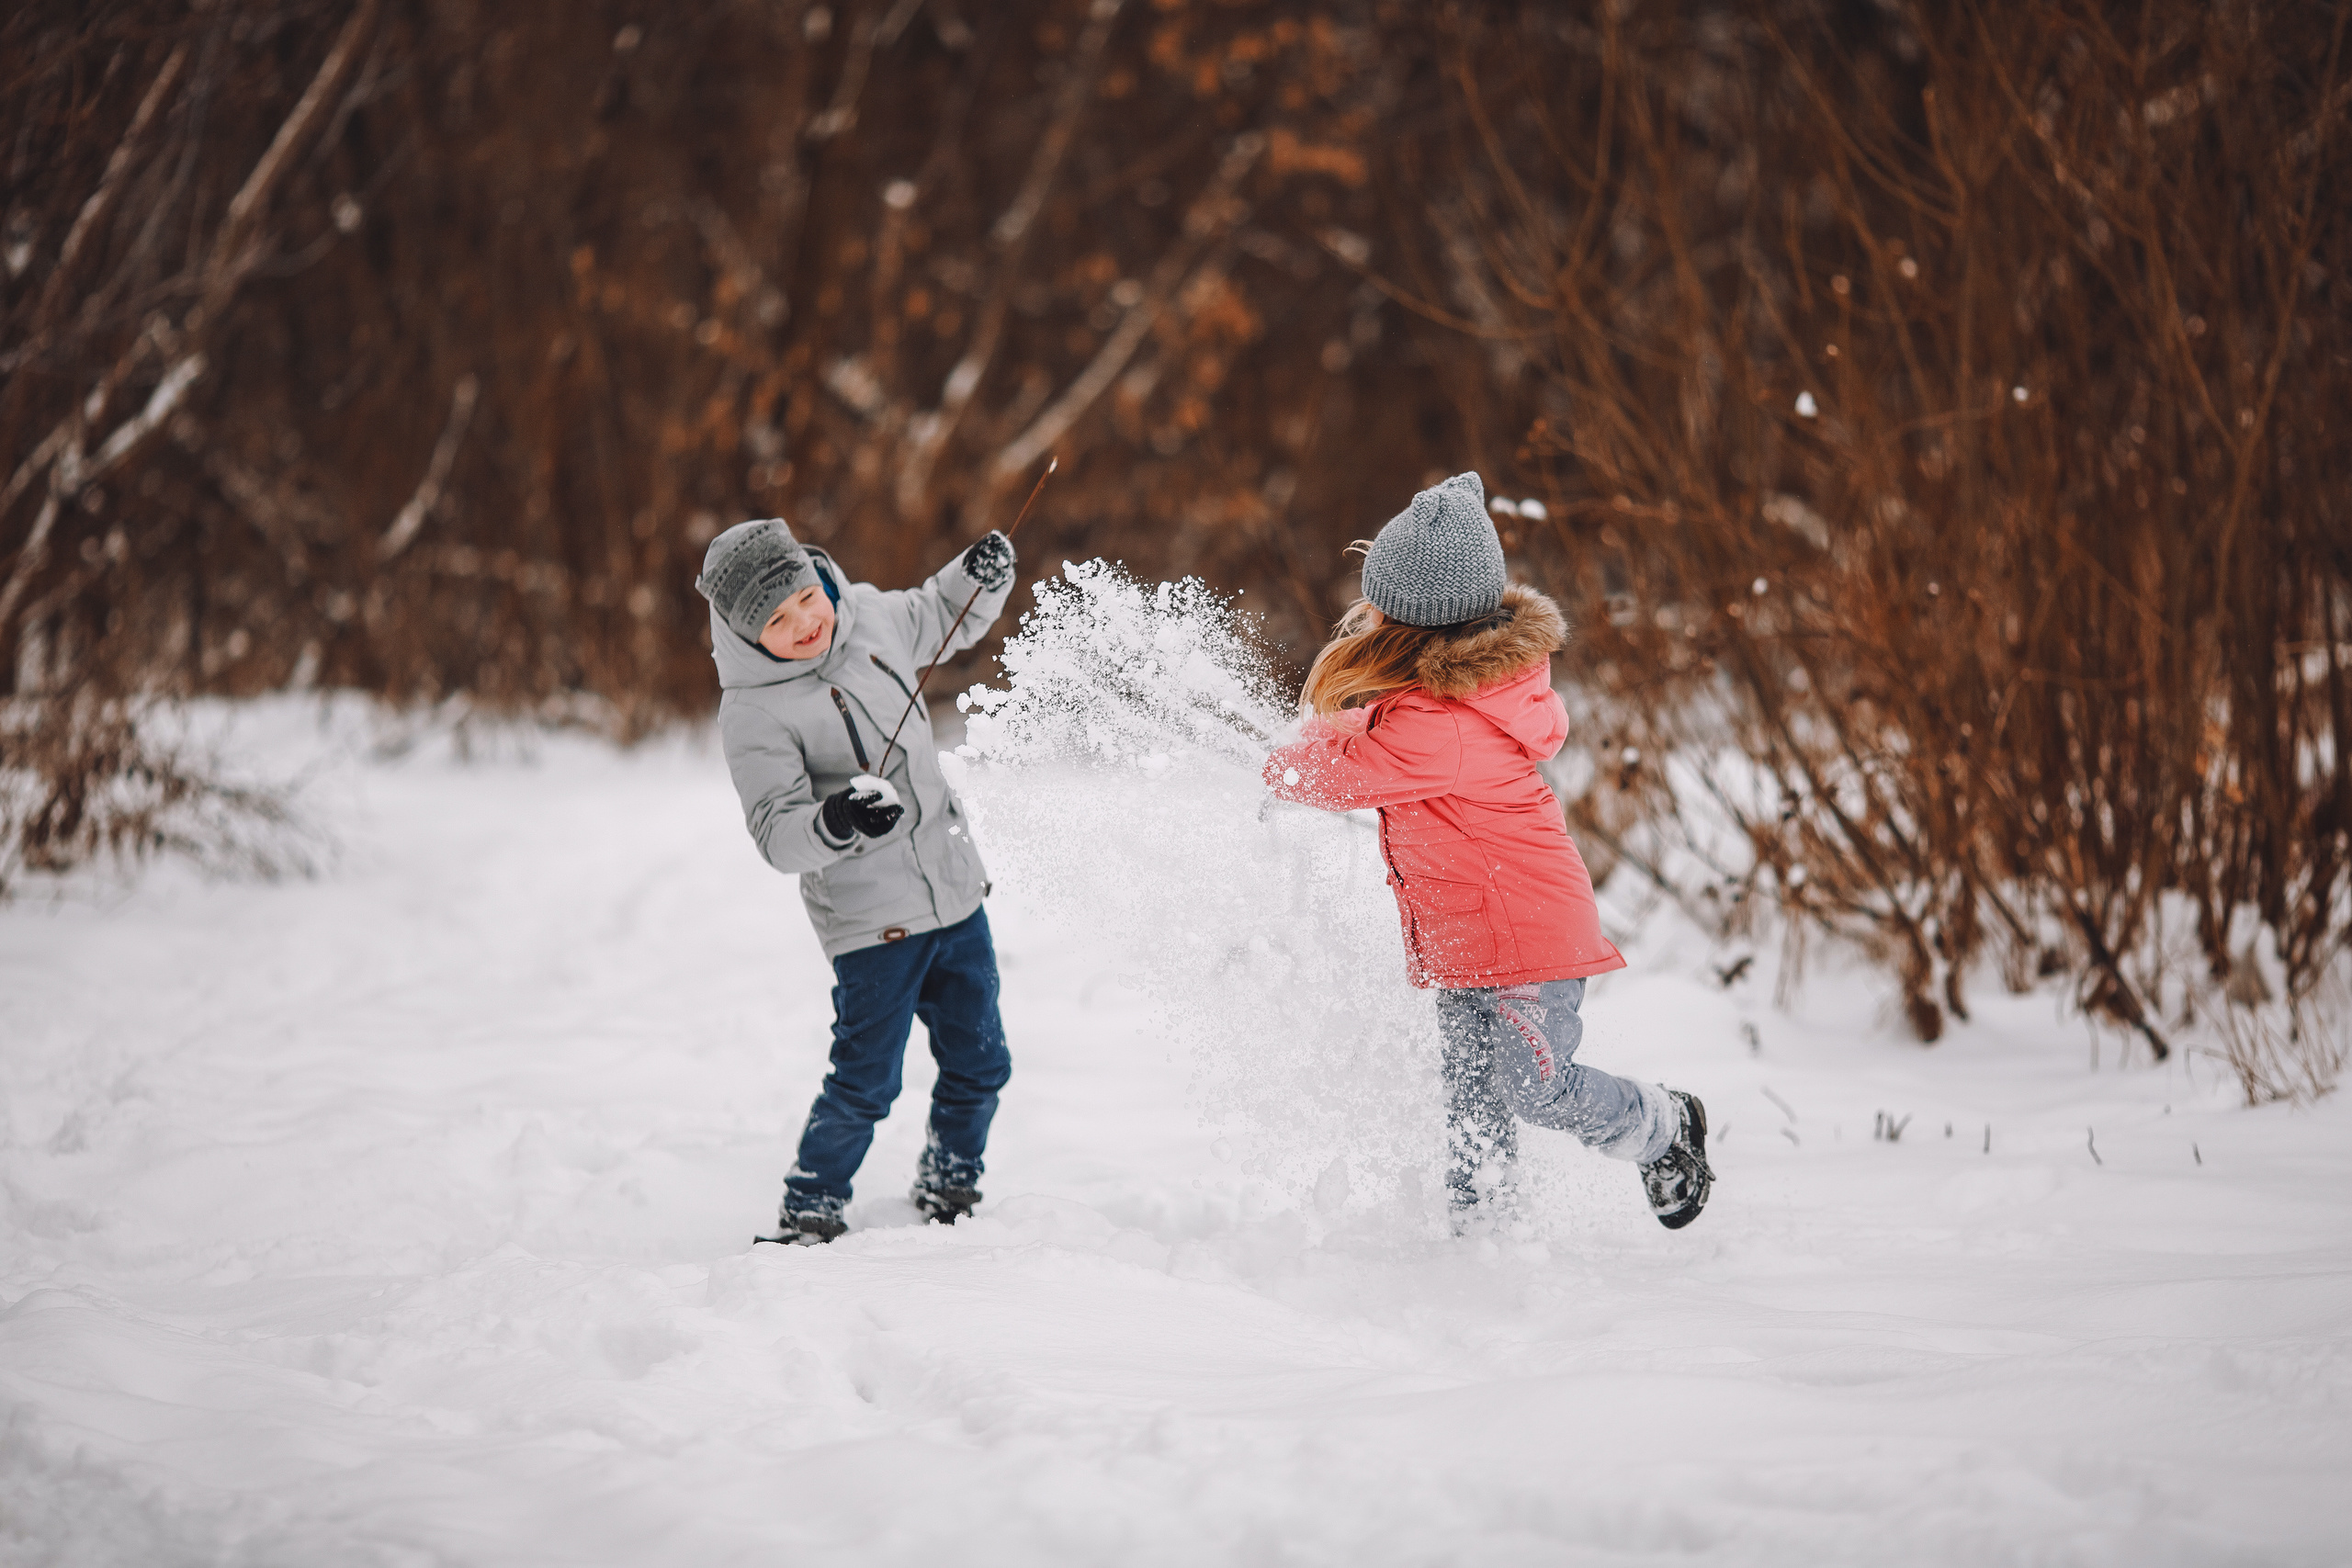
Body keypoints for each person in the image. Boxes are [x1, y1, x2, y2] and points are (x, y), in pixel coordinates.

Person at [1261, 472, 1713, 1230]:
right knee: (1474, 1101)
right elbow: (1358, 739)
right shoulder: (1437, 700)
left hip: (1529, 935)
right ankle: (1485, 1239)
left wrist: (1265, 759)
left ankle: (1661, 1125)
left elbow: (1345, 770)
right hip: (1471, 934)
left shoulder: (1447, 724)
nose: (1365, 615)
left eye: (1380, 606)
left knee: (1530, 1086)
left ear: (1415, 622)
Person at [695, 516, 1017, 1245]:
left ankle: (950, 1180)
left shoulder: (868, 612)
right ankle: (811, 1202)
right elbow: (778, 831)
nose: (806, 621)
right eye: (777, 619)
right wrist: (837, 819)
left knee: (982, 1061)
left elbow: (938, 613)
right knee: (867, 1080)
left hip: (953, 893)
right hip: (872, 925)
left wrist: (978, 576)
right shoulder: (753, 712)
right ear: (747, 634)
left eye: (805, 597)